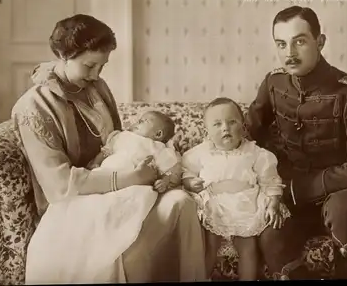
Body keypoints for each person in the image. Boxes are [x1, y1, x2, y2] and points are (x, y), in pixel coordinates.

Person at [11, 14, 206, 283]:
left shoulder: (97, 87)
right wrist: (131, 178)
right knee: (129, 253)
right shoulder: (34, 107)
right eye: (89, 65)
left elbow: (118, 140)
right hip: (77, 201)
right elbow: (59, 185)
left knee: (181, 203)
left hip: (129, 187)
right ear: (63, 54)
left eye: (101, 67)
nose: (96, 75)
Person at [244, 6, 347, 280]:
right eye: (281, 44)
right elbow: (248, 134)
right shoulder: (274, 83)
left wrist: (298, 188)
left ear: (320, 42)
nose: (290, 53)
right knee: (270, 235)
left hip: (345, 193)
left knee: (344, 210)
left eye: (299, 41)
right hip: (294, 198)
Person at [182, 97, 291, 281]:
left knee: (247, 248)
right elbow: (185, 171)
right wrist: (191, 182)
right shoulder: (200, 152)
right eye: (217, 124)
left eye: (232, 122)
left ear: (243, 126)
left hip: (246, 204)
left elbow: (270, 180)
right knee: (210, 245)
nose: (225, 128)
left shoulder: (256, 153)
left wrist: (273, 203)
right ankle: (202, 278)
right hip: (214, 204)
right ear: (206, 131)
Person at [88, 110, 181, 194]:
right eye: (139, 120)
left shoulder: (157, 147)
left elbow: (168, 170)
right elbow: (105, 152)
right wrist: (96, 162)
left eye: (143, 121)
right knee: (92, 182)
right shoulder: (122, 135)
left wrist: (164, 182)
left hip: (135, 183)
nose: (137, 123)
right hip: (107, 172)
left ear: (158, 134)